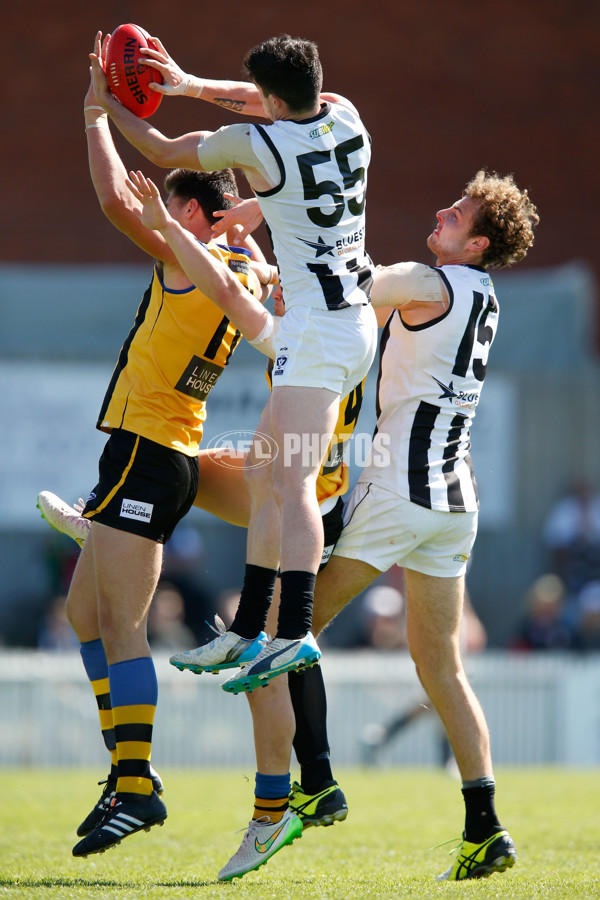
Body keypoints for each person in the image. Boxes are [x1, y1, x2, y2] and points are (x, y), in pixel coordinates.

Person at [183, 169, 536, 880]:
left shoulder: (427, 281)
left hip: (398, 494)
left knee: (280, 634)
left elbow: (338, 292)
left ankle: (298, 795)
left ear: (479, 243)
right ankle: (484, 826)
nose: (441, 210)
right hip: (454, 503)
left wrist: (266, 245)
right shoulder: (485, 296)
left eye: (458, 212)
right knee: (440, 667)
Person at [88, 32, 378, 697]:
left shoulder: (260, 145)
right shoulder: (347, 115)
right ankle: (251, 625)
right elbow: (260, 101)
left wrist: (102, 106)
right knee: (267, 471)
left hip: (318, 332)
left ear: (276, 101)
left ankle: (292, 628)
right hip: (348, 320)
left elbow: (160, 150)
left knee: (291, 483)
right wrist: (188, 85)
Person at [63, 78, 269, 860]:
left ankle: (137, 783)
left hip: (148, 452)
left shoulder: (195, 258)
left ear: (189, 215)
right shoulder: (243, 265)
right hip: (164, 453)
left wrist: (95, 115)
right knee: (87, 616)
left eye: (176, 205)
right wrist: (242, 175)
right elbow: (248, 232)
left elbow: (117, 199)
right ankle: (126, 773)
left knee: (122, 626)